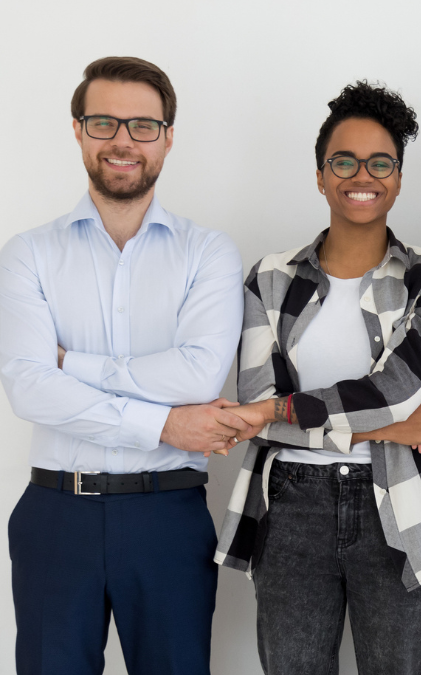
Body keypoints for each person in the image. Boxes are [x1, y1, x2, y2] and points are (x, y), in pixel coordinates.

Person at [0, 56, 249, 675]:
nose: (122, 141)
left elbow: (197, 376)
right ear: (78, 130)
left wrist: (73, 365)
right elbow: (29, 388)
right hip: (56, 515)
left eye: (142, 126)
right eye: (103, 123)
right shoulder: (28, 254)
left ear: (167, 137)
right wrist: (165, 424)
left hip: (167, 517)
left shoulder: (207, 252)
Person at [213, 81, 421, 675]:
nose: (362, 175)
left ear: (398, 178)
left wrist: (277, 413)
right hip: (290, 504)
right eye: (344, 161)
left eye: (381, 163)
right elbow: (255, 400)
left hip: (397, 504)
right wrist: (388, 429)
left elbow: (397, 392)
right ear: (321, 176)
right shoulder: (269, 278)